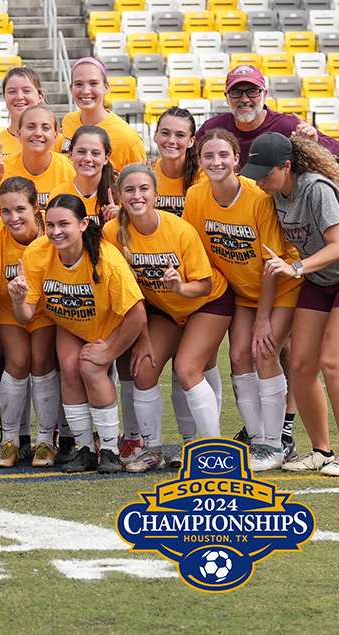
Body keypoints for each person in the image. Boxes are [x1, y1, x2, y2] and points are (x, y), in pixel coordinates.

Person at [245, 131, 339, 475]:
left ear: (287, 166)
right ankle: (321, 451)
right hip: (319, 279)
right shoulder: (275, 194)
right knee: (300, 365)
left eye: (266, 174)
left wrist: (296, 267)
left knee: (333, 362)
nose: (260, 181)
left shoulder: (316, 188)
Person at [105, 164, 232, 472]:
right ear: (119, 196)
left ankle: (213, 452)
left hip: (206, 302)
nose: (137, 196)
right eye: (130, 190)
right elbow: (130, 294)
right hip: (163, 310)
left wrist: (179, 286)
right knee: (143, 369)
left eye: (144, 189)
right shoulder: (112, 234)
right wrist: (144, 339)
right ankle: (153, 450)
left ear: (157, 195)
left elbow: (204, 285)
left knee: (187, 369)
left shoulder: (179, 229)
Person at [9, 193, 147, 474]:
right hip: (71, 323)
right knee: (70, 368)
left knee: (91, 367)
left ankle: (109, 450)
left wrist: (108, 352)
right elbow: (24, 316)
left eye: (64, 224)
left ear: (83, 224)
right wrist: (18, 299)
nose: (56, 232)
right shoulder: (37, 253)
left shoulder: (106, 260)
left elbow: (137, 315)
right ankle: (85, 450)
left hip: (110, 324)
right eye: (50, 225)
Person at [185, 129, 301, 459]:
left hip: (281, 288)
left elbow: (272, 265)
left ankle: (276, 445)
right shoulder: (195, 197)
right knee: (238, 357)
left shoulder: (258, 197)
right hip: (241, 292)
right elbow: (197, 253)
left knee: (264, 352)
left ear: (237, 160)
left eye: (224, 155)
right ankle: (259, 438)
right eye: (208, 156)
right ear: (199, 160)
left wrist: (263, 319)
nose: (216, 161)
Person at [0, 177, 60, 468]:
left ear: (36, 208)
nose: (13, 217)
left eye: (20, 209)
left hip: (47, 308)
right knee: (18, 360)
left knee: (42, 360)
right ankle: (10, 440)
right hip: (8, 306)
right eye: (5, 211)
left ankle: (46, 440)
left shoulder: (53, 232)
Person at [197, 64, 339, 170]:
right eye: (236, 92)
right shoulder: (213, 129)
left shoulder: (289, 127)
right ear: (227, 96)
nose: (245, 99)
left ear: (265, 94)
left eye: (253, 91)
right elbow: (186, 162)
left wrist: (315, 142)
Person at [55, 57, 146, 172]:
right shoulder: (69, 120)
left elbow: (141, 182)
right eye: (79, 84)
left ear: (106, 87)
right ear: (71, 89)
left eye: (93, 83)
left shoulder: (127, 138)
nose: (86, 91)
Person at [0, 105, 76, 208]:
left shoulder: (69, 169)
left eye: (45, 128)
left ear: (55, 136)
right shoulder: (3, 169)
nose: (38, 133)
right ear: (19, 133)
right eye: (31, 127)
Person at [48, 125, 121, 226]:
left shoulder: (121, 193)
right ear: (70, 154)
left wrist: (123, 219)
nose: (87, 158)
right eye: (81, 152)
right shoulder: (59, 195)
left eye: (95, 153)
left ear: (106, 158)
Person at [147, 106, 198, 218]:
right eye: (165, 133)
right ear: (156, 136)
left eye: (180, 135)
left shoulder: (204, 177)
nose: (171, 141)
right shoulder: (146, 174)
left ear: (190, 141)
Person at [0, 67, 45, 157]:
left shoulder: (57, 142)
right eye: (12, 92)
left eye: (26, 91)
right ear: (5, 97)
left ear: (40, 97)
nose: (19, 97)